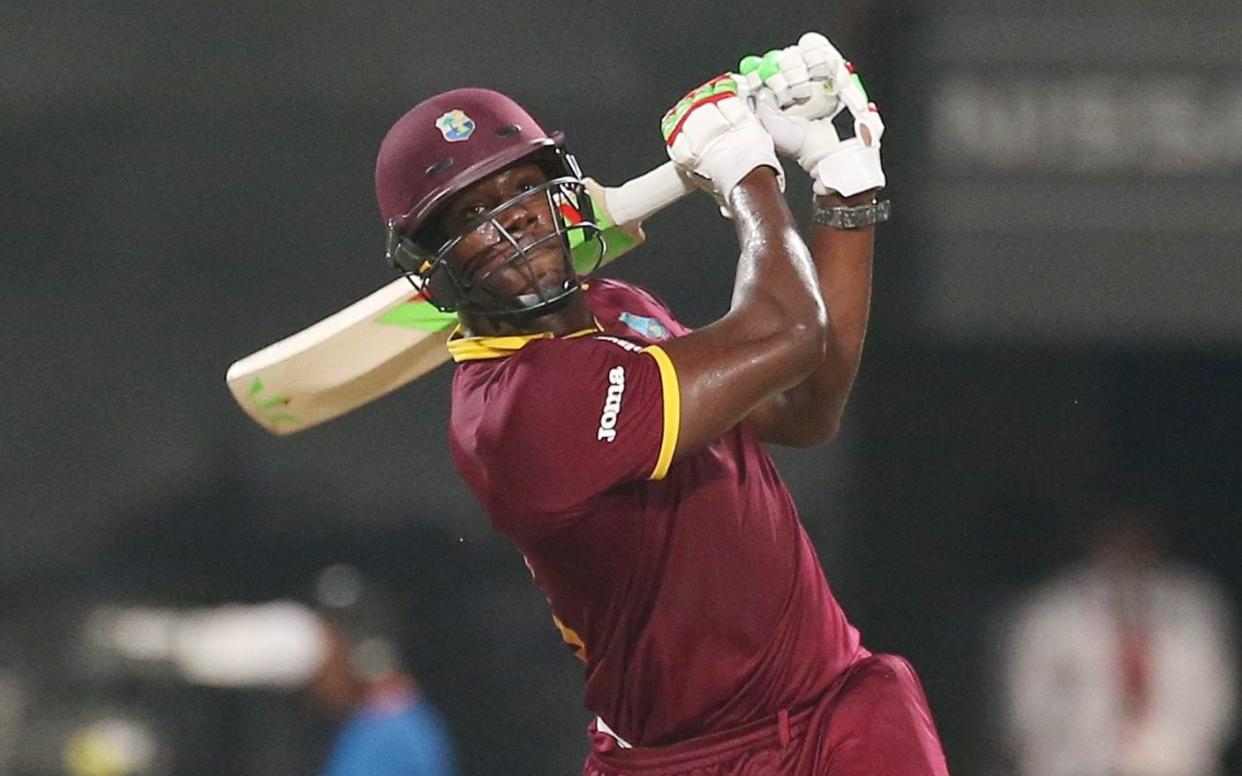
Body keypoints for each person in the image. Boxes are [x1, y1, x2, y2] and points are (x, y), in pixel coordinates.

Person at [376, 32, 947, 775]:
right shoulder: (514, 414)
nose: (513, 217)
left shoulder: (619, 306)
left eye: (521, 189)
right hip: (685, 759)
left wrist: (846, 186)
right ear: (432, 267)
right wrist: (745, 171)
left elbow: (806, 407)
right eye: (473, 214)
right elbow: (786, 328)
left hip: (836, 705)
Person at [1000, 502, 1238, 776]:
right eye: (1117, 535)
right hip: (1074, 763)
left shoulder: (1196, 603)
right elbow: (1025, 703)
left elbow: (1217, 693)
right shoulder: (1049, 609)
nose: (1128, 546)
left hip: (1176, 761)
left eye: (1138, 536)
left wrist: (1179, 745)